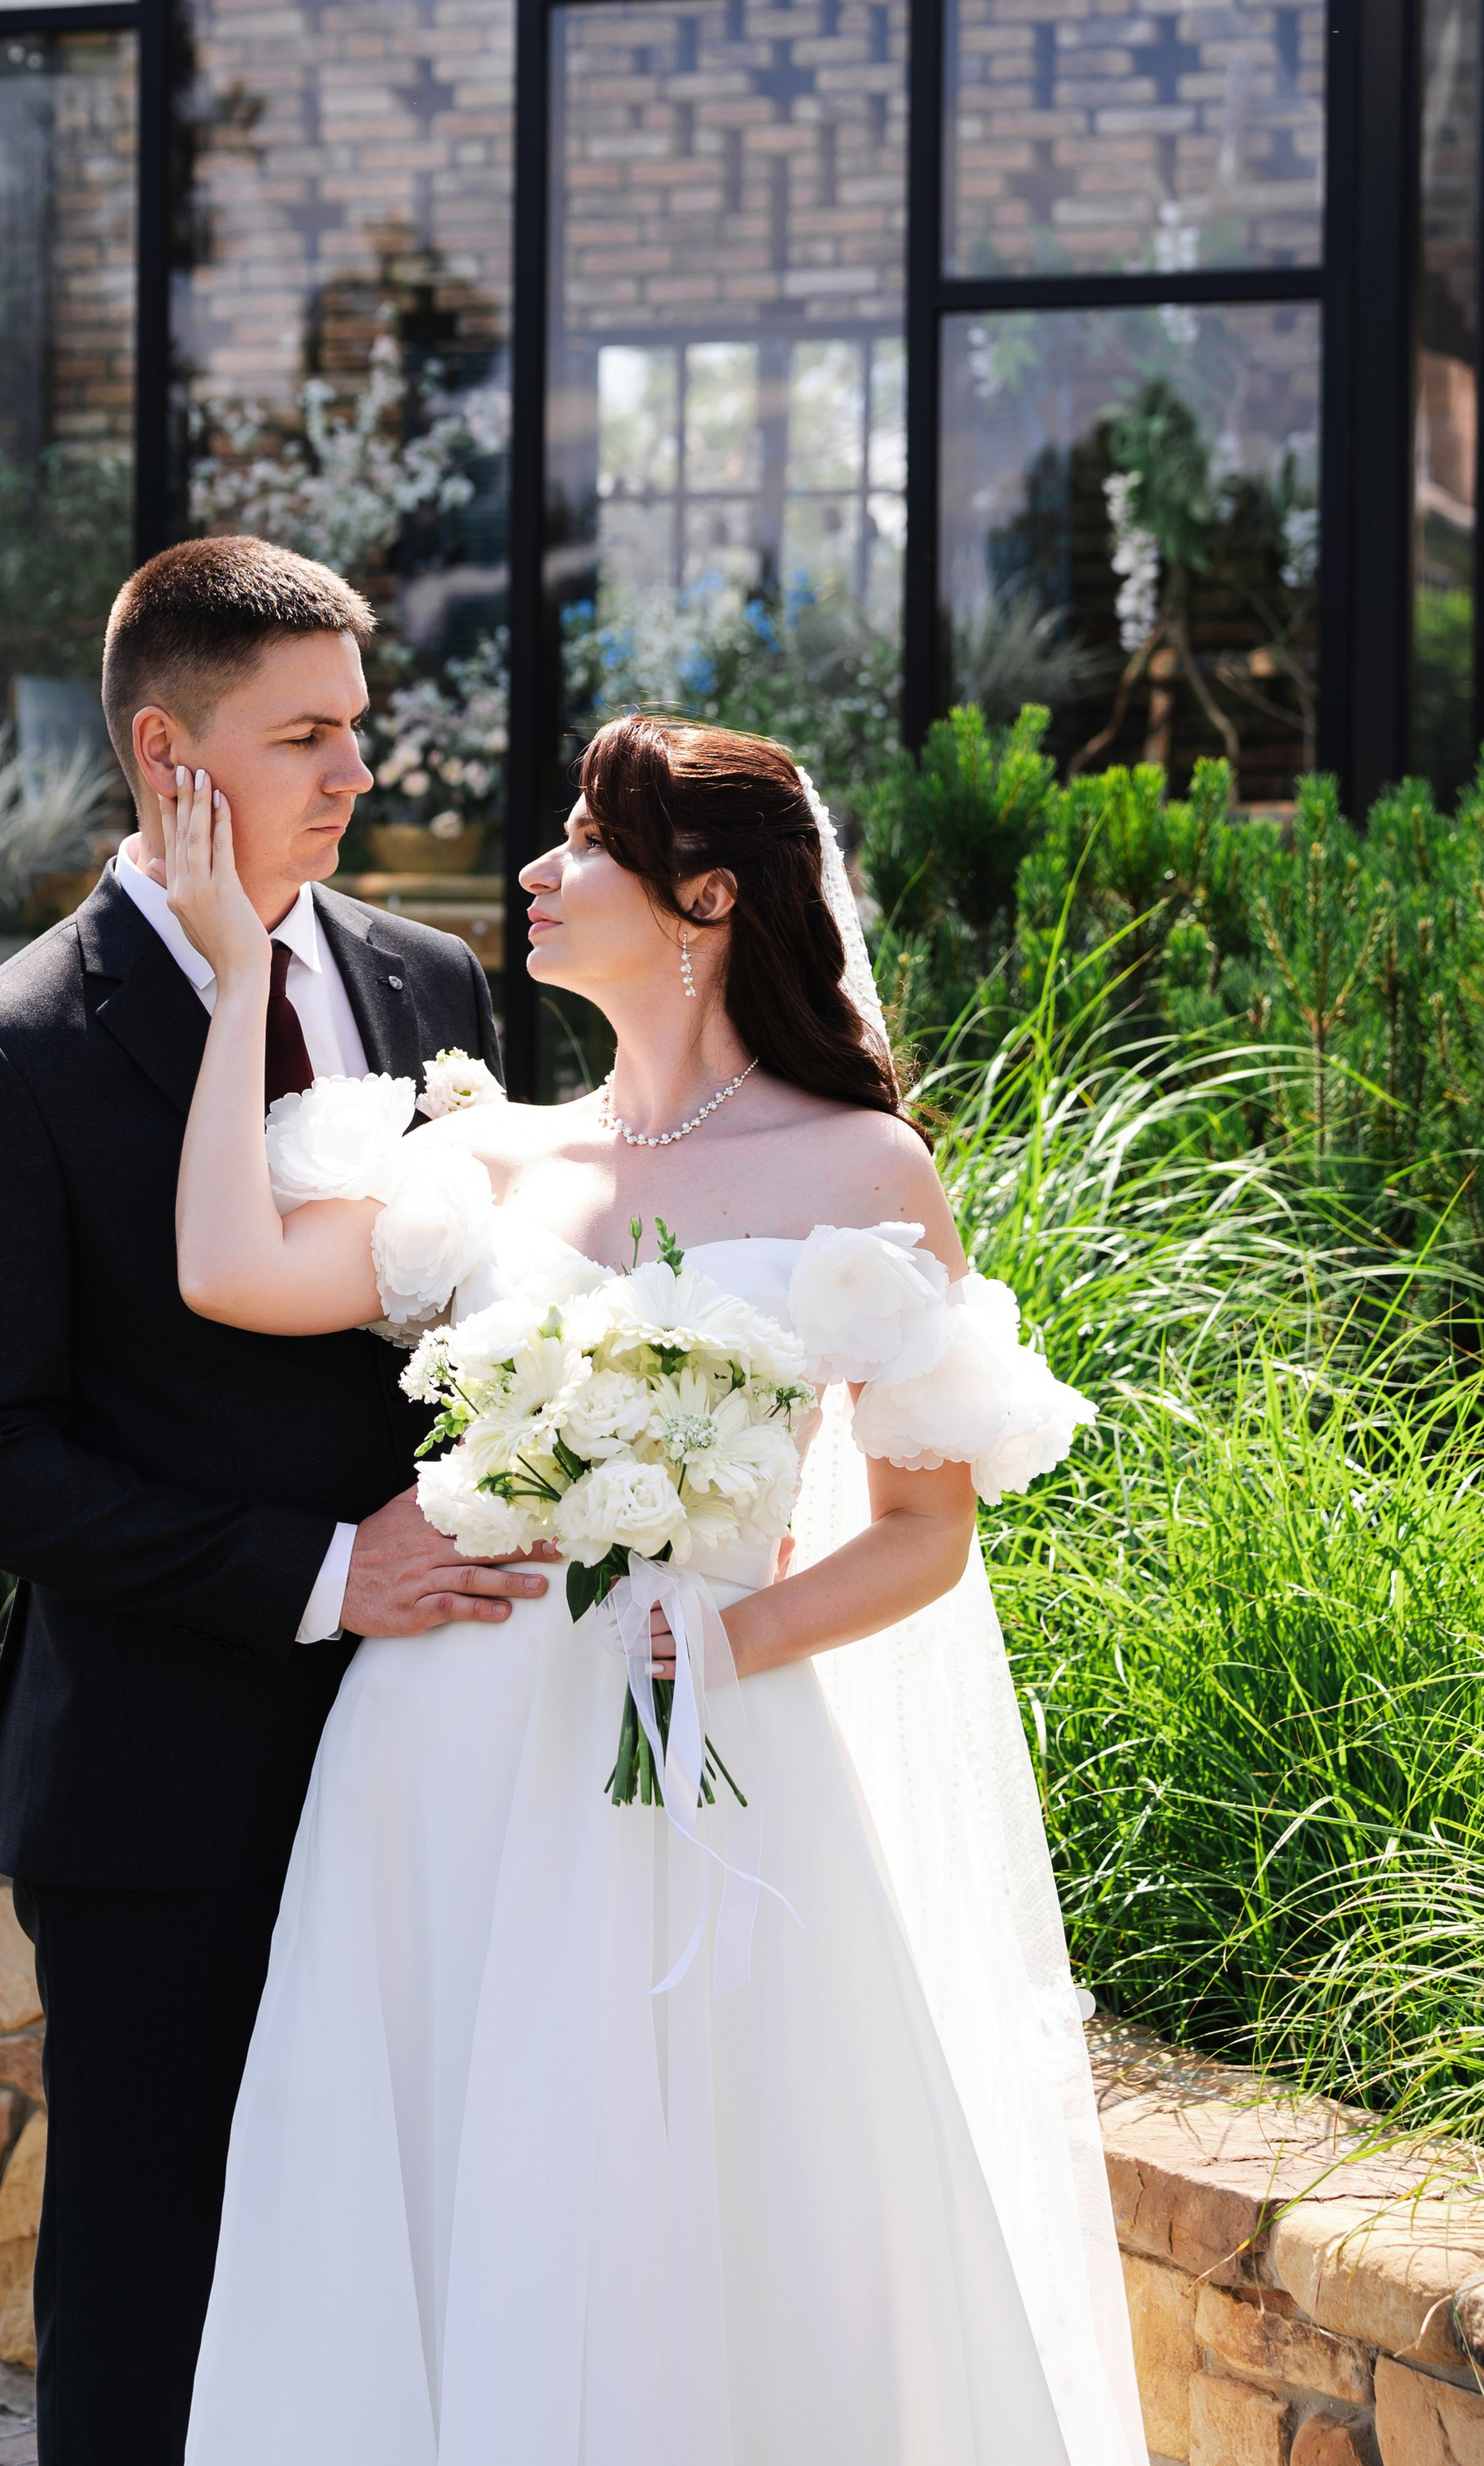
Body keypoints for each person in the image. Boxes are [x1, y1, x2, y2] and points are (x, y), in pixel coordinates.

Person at [166, 712, 1149, 2465]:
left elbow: (928, 1528)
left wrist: (729, 1633)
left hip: (702, 1755)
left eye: (580, 842)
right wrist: (239, 975)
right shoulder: (483, 1157)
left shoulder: (860, 1169)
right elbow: (230, 1268)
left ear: (700, 895)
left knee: (703, 2205)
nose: (536, 873)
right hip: (441, 1755)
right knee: (441, 2162)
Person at [0, 537, 520, 2466]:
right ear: (170, 753)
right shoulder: (10, 1049)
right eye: (306, 737)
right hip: (170, 1786)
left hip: (438, 1754)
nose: (356, 778)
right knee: (158, 2291)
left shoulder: (431, 981)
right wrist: (322, 1572)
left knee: (409, 2270)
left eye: (361, 729)